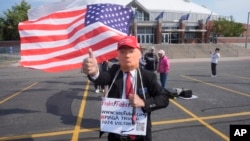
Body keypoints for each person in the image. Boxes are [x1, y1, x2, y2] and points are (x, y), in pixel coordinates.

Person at [82, 36, 169, 141]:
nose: (127, 55)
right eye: (122, 52)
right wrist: (94, 72)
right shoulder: (114, 71)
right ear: (118, 55)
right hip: (116, 133)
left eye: (131, 51)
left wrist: (144, 102)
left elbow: (164, 98)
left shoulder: (148, 76)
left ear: (139, 54)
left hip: (140, 135)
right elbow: (101, 78)